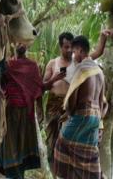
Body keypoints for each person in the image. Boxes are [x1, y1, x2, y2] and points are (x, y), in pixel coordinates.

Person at [53, 35, 106, 179]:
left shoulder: (82, 69)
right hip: (96, 116)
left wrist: (69, 115)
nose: (73, 54)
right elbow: (102, 102)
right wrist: (99, 123)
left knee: (61, 144)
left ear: (81, 51)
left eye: (74, 51)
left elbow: (72, 100)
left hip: (82, 115)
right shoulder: (99, 71)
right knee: (89, 152)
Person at [0, 44, 43, 179]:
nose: (21, 45)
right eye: (18, 42)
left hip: (26, 112)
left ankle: (16, 175)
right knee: (11, 145)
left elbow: (38, 87)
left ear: (28, 45)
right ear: (12, 45)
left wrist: (41, 110)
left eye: (23, 42)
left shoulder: (32, 66)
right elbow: (1, 83)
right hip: (11, 111)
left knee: (22, 146)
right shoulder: (8, 65)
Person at [42, 32, 74, 168]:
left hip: (71, 105)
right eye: (66, 47)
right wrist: (55, 78)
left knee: (68, 142)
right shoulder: (53, 63)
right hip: (53, 104)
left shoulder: (77, 63)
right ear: (61, 47)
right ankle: (54, 174)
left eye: (71, 47)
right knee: (52, 142)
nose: (69, 50)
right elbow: (42, 87)